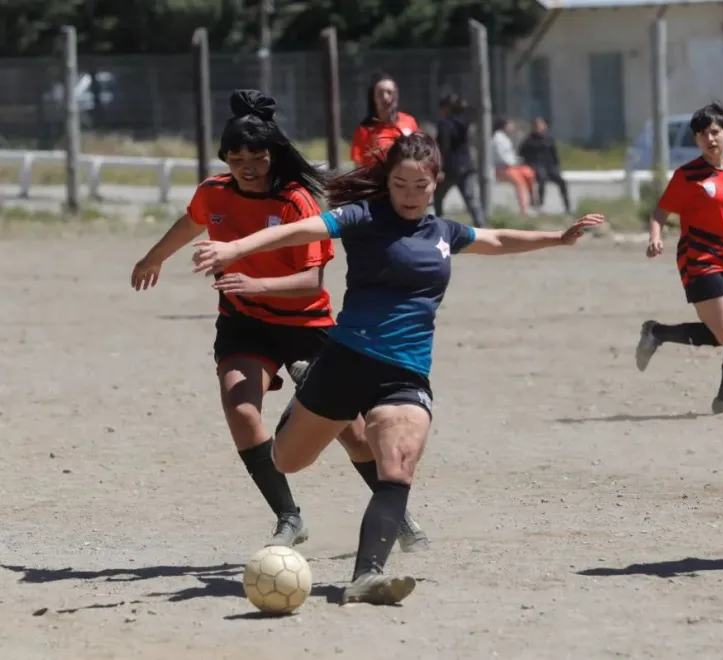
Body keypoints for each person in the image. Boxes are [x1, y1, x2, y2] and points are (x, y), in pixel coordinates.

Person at [190, 131, 604, 605]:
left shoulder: (444, 233)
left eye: (419, 186)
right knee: (288, 460)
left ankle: (367, 575)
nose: (409, 196)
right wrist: (234, 248)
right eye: (400, 184)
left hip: (406, 371)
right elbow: (299, 231)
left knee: (397, 468)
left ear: (436, 183)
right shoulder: (364, 217)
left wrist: (558, 237)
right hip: (346, 360)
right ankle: (304, 395)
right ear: (387, 182)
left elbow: (494, 238)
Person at [130, 90, 430, 552]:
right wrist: (154, 257)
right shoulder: (214, 192)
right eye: (236, 157)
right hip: (243, 323)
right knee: (240, 408)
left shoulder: (295, 201)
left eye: (257, 155)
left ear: (274, 155)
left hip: (306, 326)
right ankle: (289, 517)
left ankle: (398, 514)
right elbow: (192, 221)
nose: (247, 165)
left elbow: (311, 281)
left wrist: (255, 284)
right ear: (224, 158)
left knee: (350, 432)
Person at [635, 102, 723, 414]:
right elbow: (660, 211)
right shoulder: (687, 175)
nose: (710, 139)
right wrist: (655, 235)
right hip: (699, 259)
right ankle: (657, 332)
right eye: (702, 134)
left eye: (716, 132)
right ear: (696, 140)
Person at [434, 92, 486, 227]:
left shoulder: (444, 124)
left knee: (438, 198)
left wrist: (439, 167)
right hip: (466, 166)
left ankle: (436, 225)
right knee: (471, 199)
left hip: (449, 168)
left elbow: (444, 147)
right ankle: (481, 226)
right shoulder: (465, 122)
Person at [350, 71, 419, 169]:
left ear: (396, 96)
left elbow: (419, 155)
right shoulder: (363, 131)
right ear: (373, 98)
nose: (385, 97)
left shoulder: (409, 122)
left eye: (389, 92)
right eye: (380, 93)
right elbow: (358, 167)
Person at [519, 117, 571, 215]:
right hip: (536, 165)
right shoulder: (529, 140)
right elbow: (521, 154)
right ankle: (540, 206)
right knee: (542, 179)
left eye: (541, 125)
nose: (539, 128)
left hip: (549, 166)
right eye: (537, 126)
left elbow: (554, 154)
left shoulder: (548, 139)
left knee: (561, 181)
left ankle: (567, 207)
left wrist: (557, 166)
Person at [492, 117, 537, 215]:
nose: (512, 125)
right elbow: (502, 156)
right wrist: (514, 162)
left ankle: (532, 203)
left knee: (529, 173)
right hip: (503, 168)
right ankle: (524, 208)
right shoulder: (498, 138)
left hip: (512, 166)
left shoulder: (505, 137)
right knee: (520, 183)